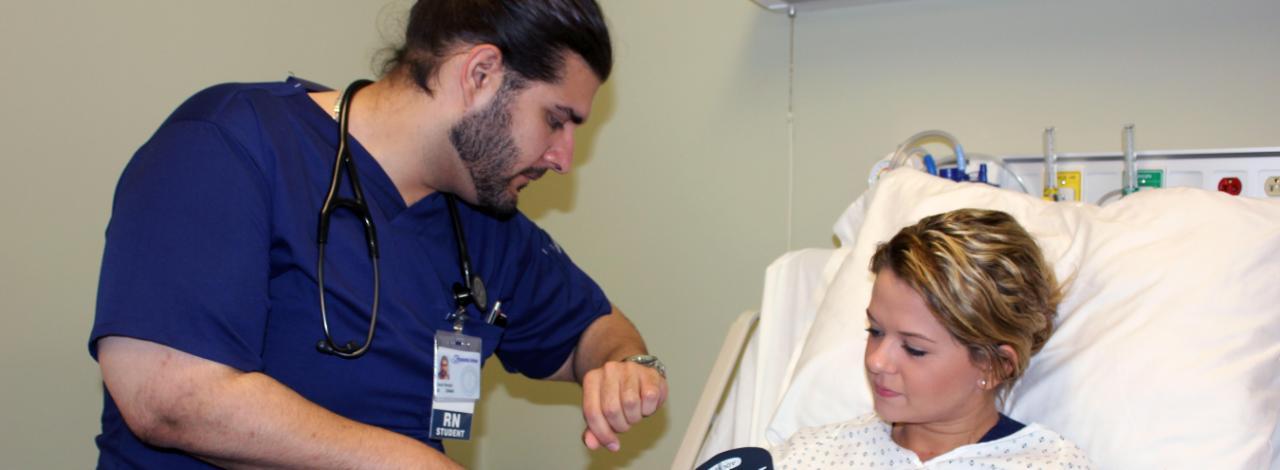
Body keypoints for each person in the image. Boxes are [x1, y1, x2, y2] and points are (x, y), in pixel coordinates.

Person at [89, 1, 667, 468]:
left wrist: (624, 364)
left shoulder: (485, 223)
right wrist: (411, 463)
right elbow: (168, 396)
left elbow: (595, 327)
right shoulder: (232, 143)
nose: (565, 157)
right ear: (480, 74)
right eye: (556, 119)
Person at [771, 209, 1091, 468]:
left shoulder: (1048, 465)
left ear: (995, 366)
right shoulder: (810, 457)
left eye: (914, 349)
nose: (876, 360)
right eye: (875, 332)